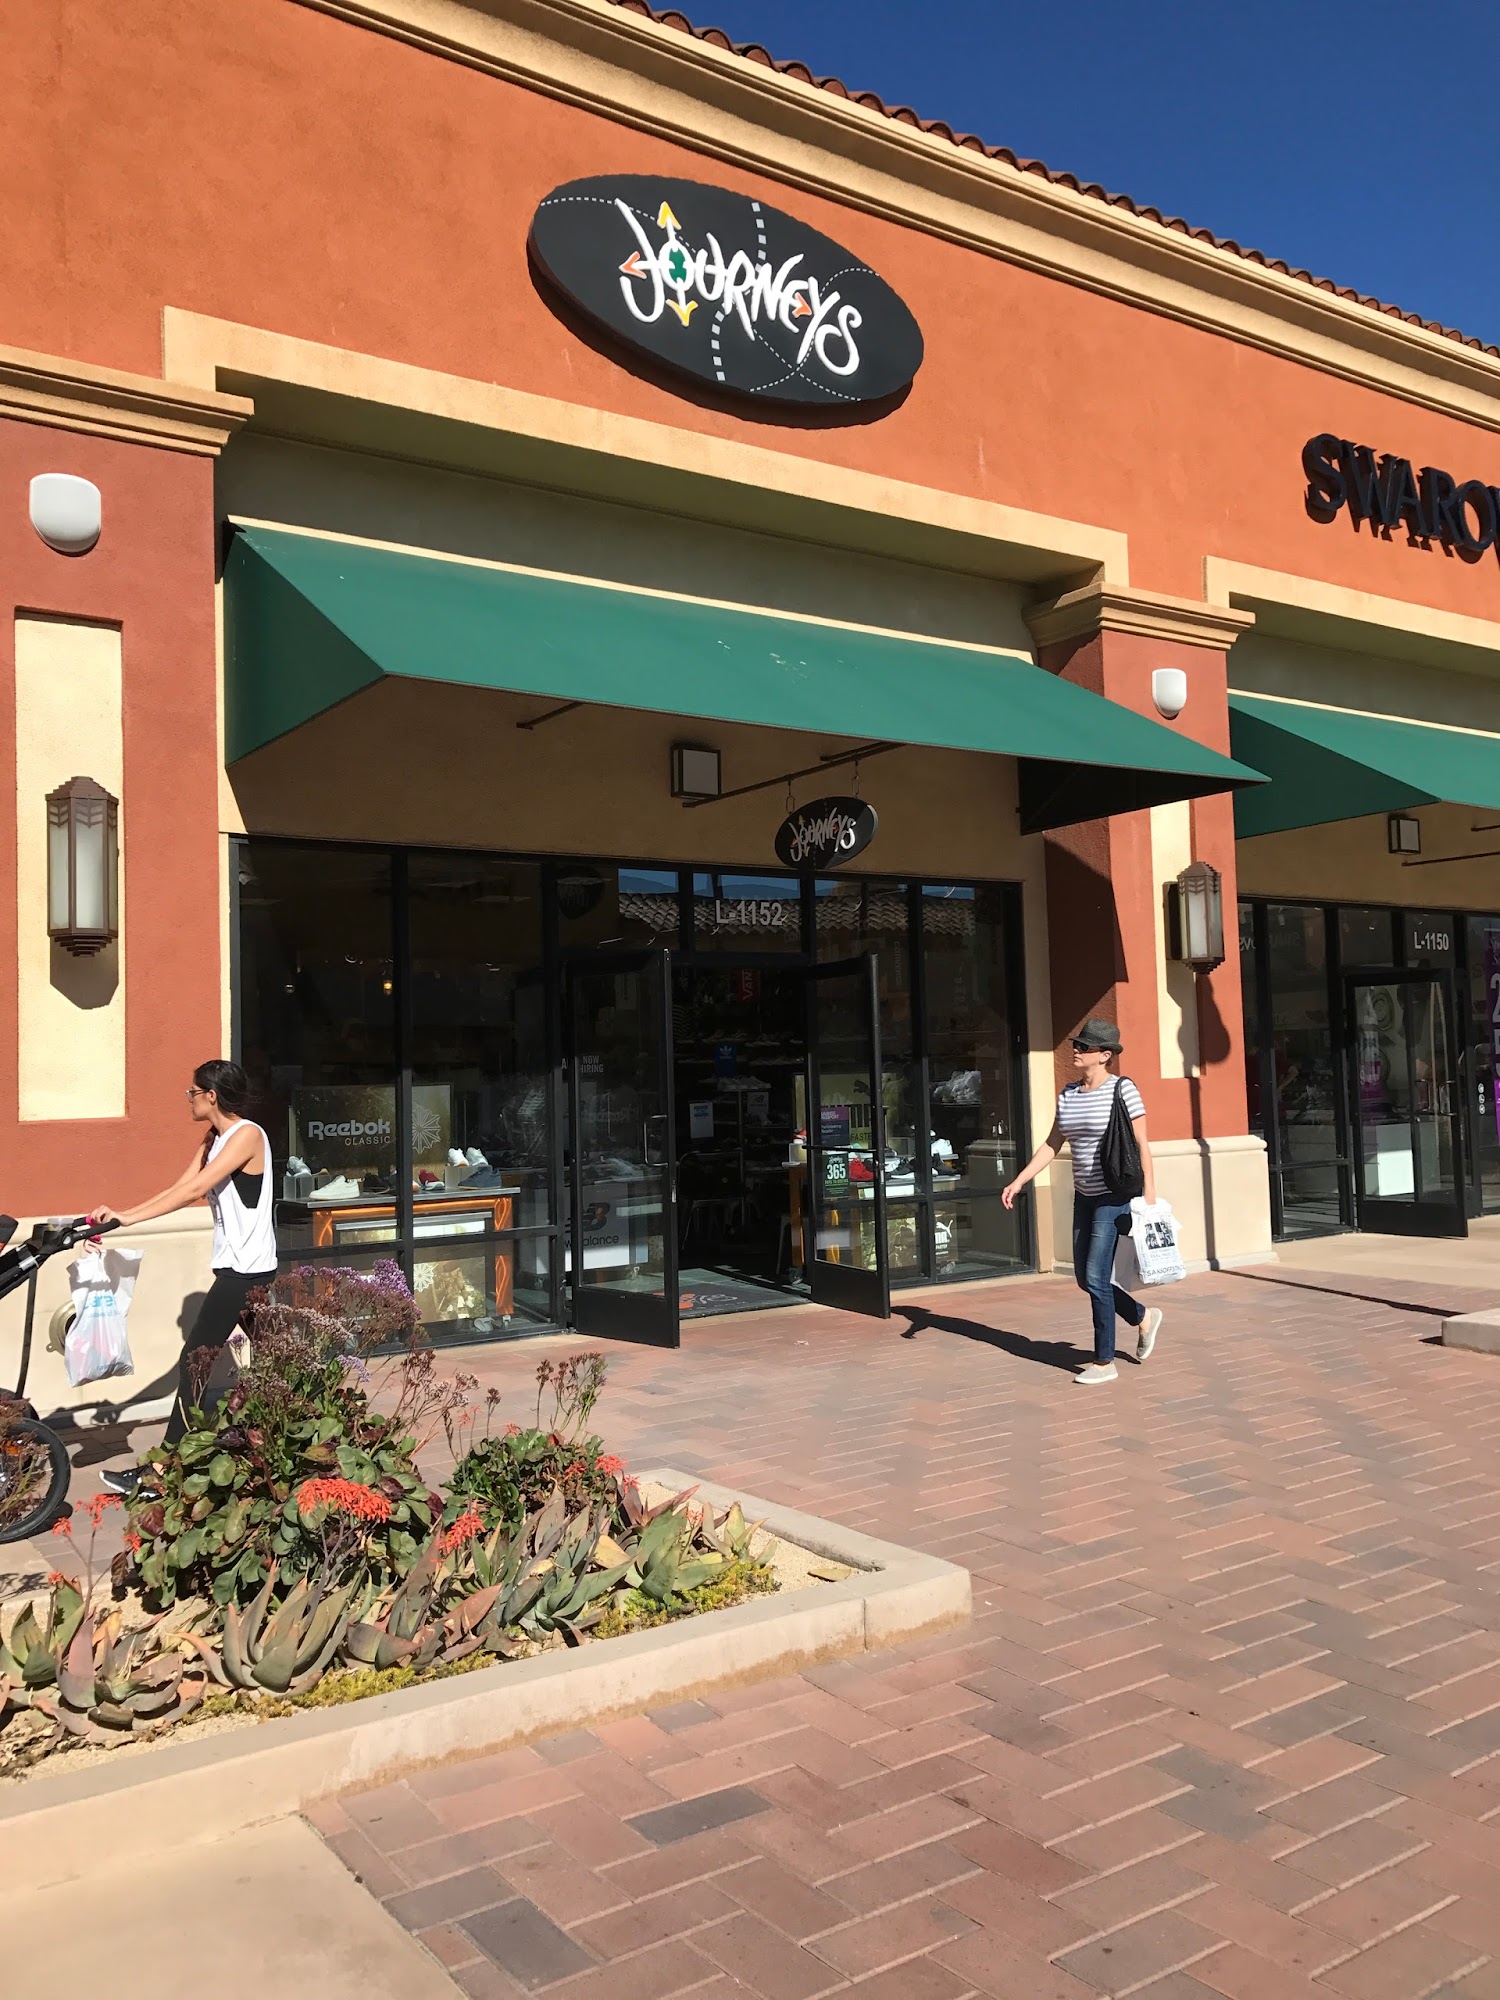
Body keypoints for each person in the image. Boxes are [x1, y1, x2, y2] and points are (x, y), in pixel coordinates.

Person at [93, 1060, 277, 1493]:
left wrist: (127, 1219)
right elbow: (180, 1187)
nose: (188, 1099)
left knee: (194, 1361)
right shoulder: (213, 1139)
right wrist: (122, 1216)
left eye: (192, 1092)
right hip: (237, 1267)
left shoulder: (247, 1135)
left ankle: (163, 1471)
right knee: (272, 1365)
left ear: (212, 1095)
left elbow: (194, 1190)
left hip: (246, 1271)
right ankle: (281, 1450)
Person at [1002, 1019, 1162, 1385]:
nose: (1076, 1049)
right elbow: (1052, 1143)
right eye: (1077, 1043)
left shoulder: (1123, 1089)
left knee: (1095, 1276)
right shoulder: (1068, 1094)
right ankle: (1142, 1316)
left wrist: (1150, 1193)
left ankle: (1104, 1362)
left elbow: (1142, 1143)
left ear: (1105, 1055)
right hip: (1084, 1195)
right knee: (1084, 1278)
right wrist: (1020, 1180)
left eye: (1085, 1046)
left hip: (1114, 1195)